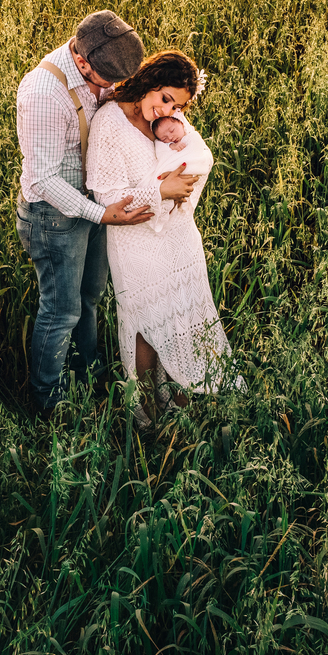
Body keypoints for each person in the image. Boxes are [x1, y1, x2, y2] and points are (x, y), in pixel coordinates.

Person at [15, 11, 193, 416]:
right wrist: (99, 214)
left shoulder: (107, 63)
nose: (113, 89)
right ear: (82, 62)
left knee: (89, 299)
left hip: (96, 205)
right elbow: (42, 179)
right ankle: (49, 402)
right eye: (106, 82)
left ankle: (86, 379)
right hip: (53, 216)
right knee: (61, 311)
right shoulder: (44, 92)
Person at [85, 51, 242, 427]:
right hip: (134, 243)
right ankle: (147, 416)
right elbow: (106, 198)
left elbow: (197, 155)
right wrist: (160, 191)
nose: (169, 111)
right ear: (151, 81)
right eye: (166, 98)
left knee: (184, 321)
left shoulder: (168, 120)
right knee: (144, 326)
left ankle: (181, 410)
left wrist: (179, 183)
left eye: (178, 106)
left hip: (178, 236)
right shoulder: (110, 122)